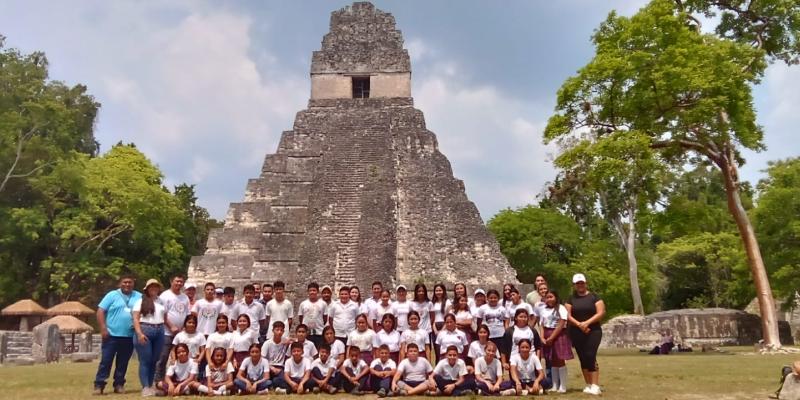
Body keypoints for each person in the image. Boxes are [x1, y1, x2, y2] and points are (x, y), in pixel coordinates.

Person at [93, 274, 142, 395]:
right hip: (111, 335)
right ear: (120, 283)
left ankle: (119, 384)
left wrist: (138, 324)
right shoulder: (112, 295)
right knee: (106, 361)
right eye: (125, 282)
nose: (127, 284)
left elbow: (144, 312)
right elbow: (100, 311)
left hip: (129, 335)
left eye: (130, 282)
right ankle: (99, 384)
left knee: (123, 362)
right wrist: (103, 328)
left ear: (133, 283)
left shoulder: (139, 296)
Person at [566, 273, 605, 396]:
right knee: (582, 357)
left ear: (585, 283)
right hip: (576, 331)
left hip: (593, 330)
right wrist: (579, 325)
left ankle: (595, 385)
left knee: (590, 355)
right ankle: (588, 384)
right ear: (574, 285)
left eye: (582, 283)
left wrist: (587, 323)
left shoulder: (594, 297)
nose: (580, 285)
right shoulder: (571, 299)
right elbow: (567, 315)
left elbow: (601, 312)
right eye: (577, 283)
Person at [132, 278, 167, 396]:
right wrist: (139, 333)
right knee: (145, 360)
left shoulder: (160, 301)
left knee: (154, 360)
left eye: (156, 286)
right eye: (151, 286)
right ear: (147, 289)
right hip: (145, 328)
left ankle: (150, 384)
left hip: (159, 329)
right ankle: (145, 386)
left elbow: (164, 316)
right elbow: (135, 319)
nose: (154, 289)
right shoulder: (140, 301)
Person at [157, 275, 190, 384]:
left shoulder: (185, 297)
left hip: (180, 333)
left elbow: (187, 314)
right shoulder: (165, 296)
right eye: (177, 281)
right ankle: (159, 382)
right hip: (166, 333)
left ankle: (175, 381)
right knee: (163, 358)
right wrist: (171, 326)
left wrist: (184, 328)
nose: (179, 283)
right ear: (171, 281)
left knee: (180, 358)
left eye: (181, 282)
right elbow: (162, 314)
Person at [540, 290, 572, 393]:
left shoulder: (561, 308)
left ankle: (563, 386)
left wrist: (552, 337)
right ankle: (554, 385)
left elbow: (561, 324)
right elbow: (542, 324)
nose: (549, 299)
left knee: (560, 360)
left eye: (551, 297)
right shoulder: (544, 309)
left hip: (558, 335)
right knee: (552, 360)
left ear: (556, 298)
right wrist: (542, 337)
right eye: (547, 297)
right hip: (547, 334)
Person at [297, 282, 328, 348]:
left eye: (314, 290)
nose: (312, 292)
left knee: (319, 350)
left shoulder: (323, 304)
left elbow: (325, 318)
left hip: (319, 332)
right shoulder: (303, 304)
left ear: (317, 292)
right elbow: (301, 318)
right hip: (306, 333)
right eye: (310, 290)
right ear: (308, 292)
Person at [260, 321, 289, 391]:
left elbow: (296, 341)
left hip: (280, 367)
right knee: (265, 380)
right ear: (273, 331)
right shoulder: (267, 343)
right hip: (268, 366)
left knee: (282, 379)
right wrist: (271, 368)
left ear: (283, 331)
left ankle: (275, 386)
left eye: (281, 330)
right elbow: (262, 359)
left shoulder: (285, 341)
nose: (279, 332)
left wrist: (289, 342)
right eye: (277, 330)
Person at [430, 283, 451, 361]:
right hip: (434, 326)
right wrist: (435, 330)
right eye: (436, 290)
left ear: (443, 291)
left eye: (440, 290)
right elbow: (432, 317)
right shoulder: (432, 303)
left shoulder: (447, 302)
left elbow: (448, 316)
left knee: (445, 348)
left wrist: (442, 329)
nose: (438, 292)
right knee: (437, 349)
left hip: (445, 325)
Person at [410, 284, 433, 349]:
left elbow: (432, 317)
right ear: (416, 292)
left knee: (427, 349)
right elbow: (410, 317)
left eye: (423, 291)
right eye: (419, 291)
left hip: (427, 330)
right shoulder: (412, 303)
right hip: (415, 330)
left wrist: (428, 326)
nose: (421, 293)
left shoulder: (429, 303)